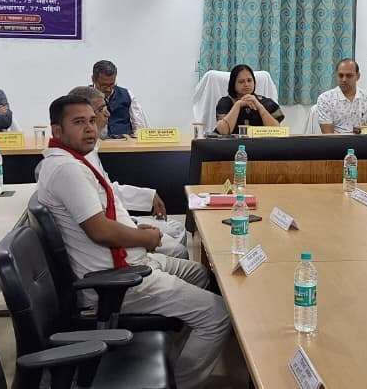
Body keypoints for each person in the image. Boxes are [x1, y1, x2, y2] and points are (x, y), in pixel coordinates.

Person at [36, 95, 229, 388]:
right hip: (117, 280)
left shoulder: (72, 160)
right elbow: (100, 230)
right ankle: (179, 382)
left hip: (127, 262)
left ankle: (170, 359)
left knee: (199, 274)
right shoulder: (67, 169)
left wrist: (139, 234)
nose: (89, 128)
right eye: (79, 122)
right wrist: (145, 238)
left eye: (92, 120)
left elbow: (106, 211)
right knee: (218, 313)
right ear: (57, 131)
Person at [66, 85, 185, 258]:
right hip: (115, 230)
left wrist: (149, 195)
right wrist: (136, 231)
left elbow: (108, 190)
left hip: (119, 220)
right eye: (101, 110)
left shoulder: (90, 150)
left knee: (177, 228)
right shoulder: (76, 161)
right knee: (178, 250)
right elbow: (102, 215)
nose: (108, 114)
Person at [214, 64, 284, 135]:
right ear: (233, 84)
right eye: (241, 81)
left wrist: (259, 106)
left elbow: (276, 132)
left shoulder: (266, 102)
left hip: (259, 142)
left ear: (254, 82)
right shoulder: (225, 102)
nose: (246, 84)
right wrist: (238, 105)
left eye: (249, 80)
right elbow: (223, 131)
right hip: (232, 142)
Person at [315, 58, 367, 134]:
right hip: (336, 141)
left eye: (349, 75)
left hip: (362, 141)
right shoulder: (325, 99)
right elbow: (328, 135)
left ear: (358, 76)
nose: (344, 79)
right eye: (340, 75)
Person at [91, 60, 147, 138]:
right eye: (104, 85)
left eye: (112, 84)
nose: (108, 89)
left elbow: (139, 127)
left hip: (124, 142)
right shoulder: (84, 98)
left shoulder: (127, 94)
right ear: (93, 79)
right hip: (95, 142)